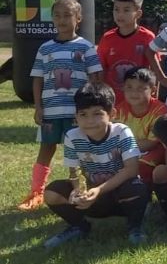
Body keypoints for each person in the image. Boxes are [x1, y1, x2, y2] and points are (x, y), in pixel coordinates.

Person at [21, 0, 103, 211]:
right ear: (52, 19)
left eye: (67, 15)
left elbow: (96, 79)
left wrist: (93, 109)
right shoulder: (45, 48)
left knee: (80, 150)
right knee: (46, 149)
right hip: (51, 111)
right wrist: (38, 107)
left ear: (79, 18)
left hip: (78, 114)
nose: (62, 20)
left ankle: (83, 191)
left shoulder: (86, 47)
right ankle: (36, 193)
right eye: (57, 15)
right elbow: (37, 79)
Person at [42, 83, 148, 248]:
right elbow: (74, 172)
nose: (89, 121)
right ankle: (79, 226)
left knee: (137, 187)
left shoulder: (122, 132)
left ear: (112, 114)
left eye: (97, 114)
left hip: (119, 197)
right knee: (51, 192)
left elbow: (132, 169)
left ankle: (135, 228)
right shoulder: (71, 136)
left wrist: (99, 190)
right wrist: (78, 191)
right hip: (91, 199)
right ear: (76, 116)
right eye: (83, 114)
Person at [97, 0, 155, 104]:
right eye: (116, 9)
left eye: (126, 10)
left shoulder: (147, 37)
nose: (120, 14)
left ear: (138, 14)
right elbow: (101, 69)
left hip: (139, 102)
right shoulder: (107, 38)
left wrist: (153, 99)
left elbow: (153, 70)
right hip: (113, 101)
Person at [115, 67, 167, 187]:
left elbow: (151, 143)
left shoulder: (160, 110)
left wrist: (126, 149)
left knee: (140, 168)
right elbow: (114, 138)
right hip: (127, 151)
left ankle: (143, 192)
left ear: (153, 90)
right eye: (129, 87)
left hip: (152, 150)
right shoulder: (119, 110)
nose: (134, 93)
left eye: (140, 88)